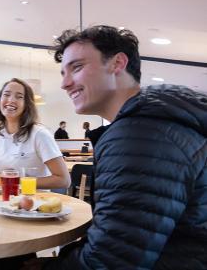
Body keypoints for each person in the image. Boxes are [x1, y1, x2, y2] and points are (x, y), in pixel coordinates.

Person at [23, 25, 207, 269]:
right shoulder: (156, 121)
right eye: (63, 73)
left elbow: (113, 261)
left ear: (117, 63)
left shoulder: (140, 134)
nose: (65, 84)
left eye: (77, 67)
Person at [0, 78, 71, 190]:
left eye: (19, 96)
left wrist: (16, 182)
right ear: (0, 100)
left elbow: (63, 180)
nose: (11, 100)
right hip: (2, 201)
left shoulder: (40, 135)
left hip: (35, 203)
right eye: (6, 95)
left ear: (26, 105)